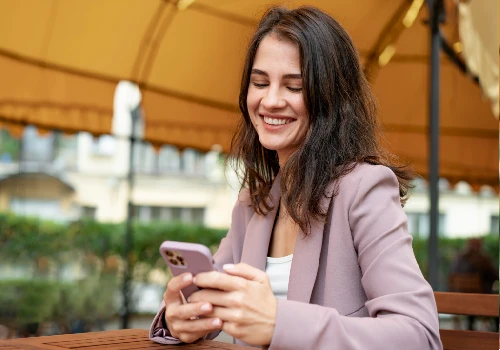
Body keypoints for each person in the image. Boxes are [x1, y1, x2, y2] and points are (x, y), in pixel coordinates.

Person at [149, 6, 442, 349]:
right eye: (260, 83)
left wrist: (279, 323)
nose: (270, 101)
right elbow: (212, 300)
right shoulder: (255, 202)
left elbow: (419, 335)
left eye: (294, 87)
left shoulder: (365, 189)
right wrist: (180, 317)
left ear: (331, 98)